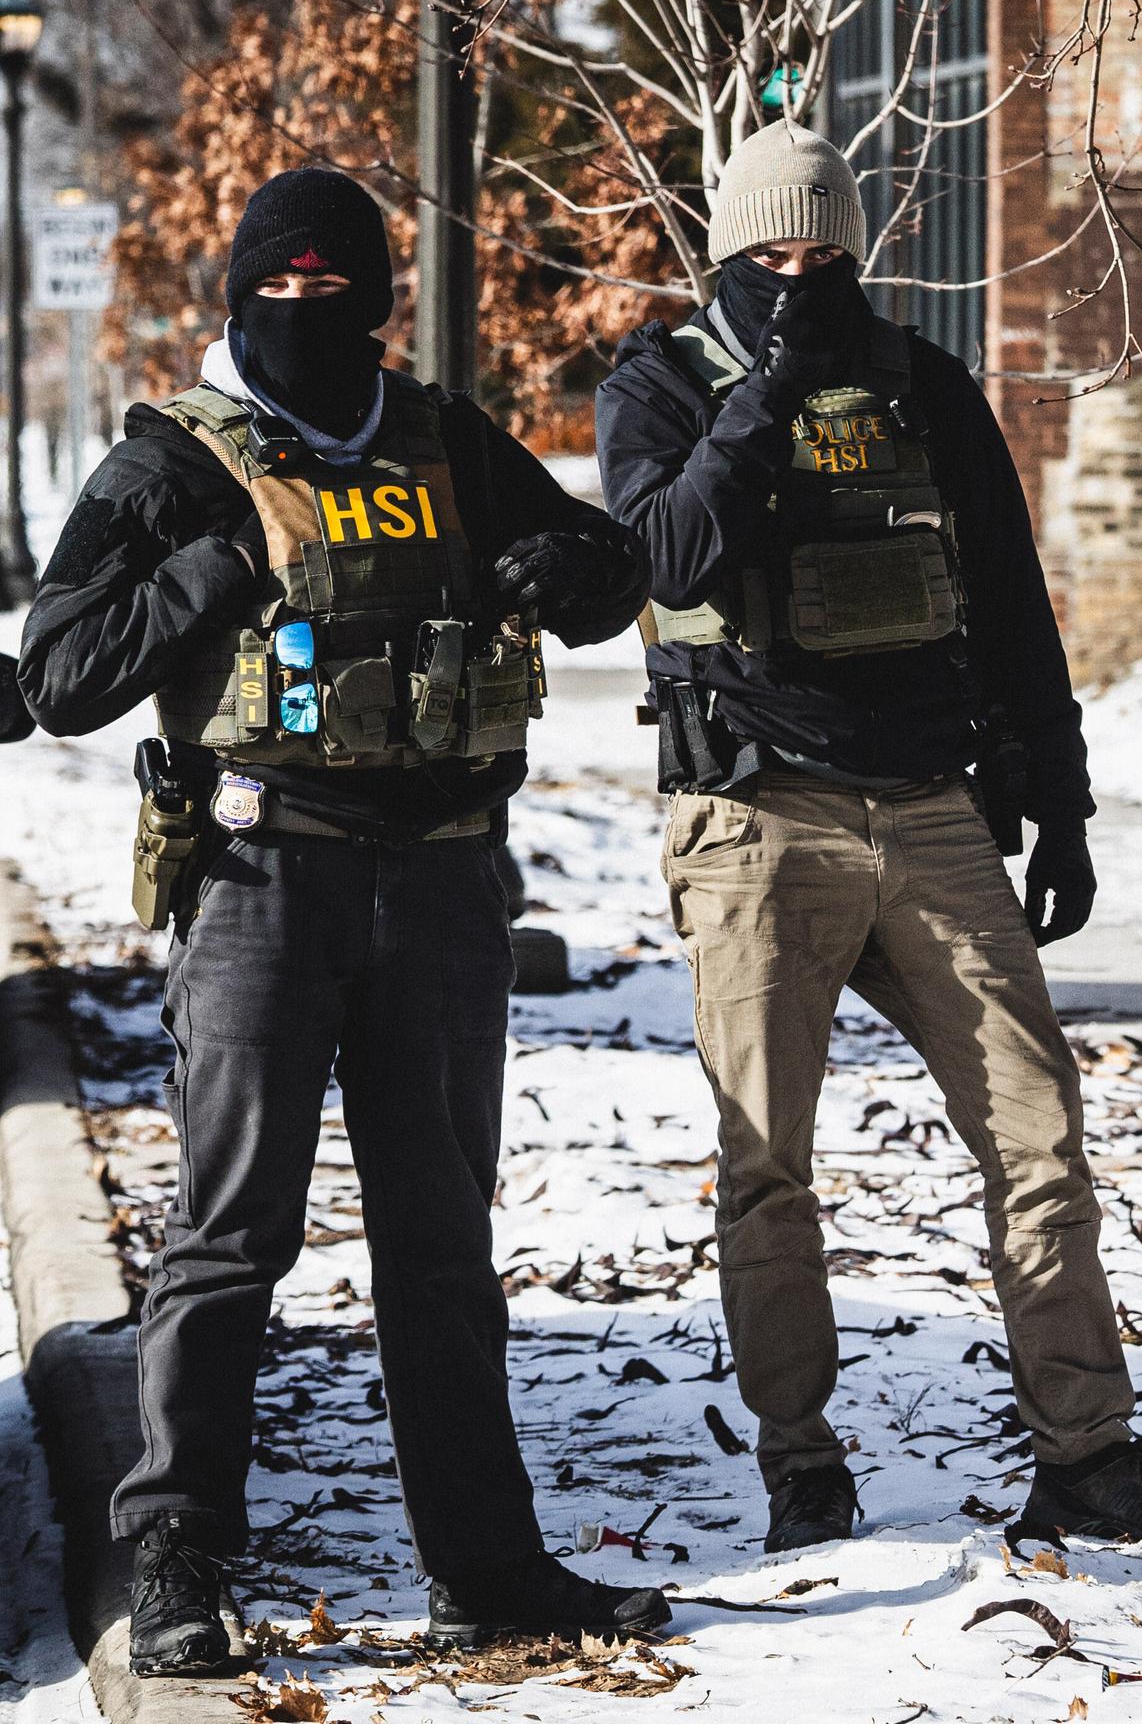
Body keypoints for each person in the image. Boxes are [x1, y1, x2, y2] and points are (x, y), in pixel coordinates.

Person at [19, 169, 669, 1673]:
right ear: (238, 297)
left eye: (339, 289)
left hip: (442, 883)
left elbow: (603, 573)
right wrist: (232, 553)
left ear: (380, 295)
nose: (312, 314)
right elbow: (61, 674)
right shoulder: (178, 460)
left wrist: (570, 567)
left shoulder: (440, 437)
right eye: (282, 290)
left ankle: (487, 1565)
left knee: (441, 1246)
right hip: (263, 881)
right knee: (229, 1239)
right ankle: (177, 1559)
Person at [596, 123, 1142, 1553]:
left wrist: (1061, 802)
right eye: (773, 256)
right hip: (757, 814)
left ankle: (1086, 1449)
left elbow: (1010, 603)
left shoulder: (924, 386)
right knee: (768, 1158)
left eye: (827, 255)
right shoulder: (661, 387)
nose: (803, 277)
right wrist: (769, 391)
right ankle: (801, 1458)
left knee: (1039, 1130)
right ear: (727, 254)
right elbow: (669, 558)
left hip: (933, 807)